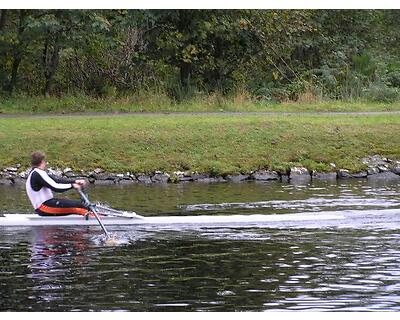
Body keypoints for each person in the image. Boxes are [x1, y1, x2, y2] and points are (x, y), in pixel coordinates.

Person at [26, 151, 89, 216]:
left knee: (81, 205)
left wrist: (75, 181)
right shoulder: (37, 174)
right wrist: (72, 186)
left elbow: (57, 180)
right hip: (44, 207)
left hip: (47, 205)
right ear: (42, 162)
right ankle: (92, 217)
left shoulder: (36, 172)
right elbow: (56, 187)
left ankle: (88, 214)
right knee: (80, 206)